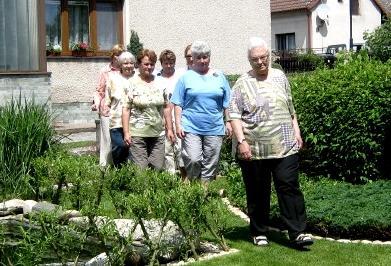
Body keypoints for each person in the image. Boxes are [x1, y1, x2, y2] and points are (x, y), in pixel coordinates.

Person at [228, 37, 313, 247]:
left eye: (264, 57)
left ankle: (298, 233)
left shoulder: (280, 76)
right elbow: (234, 114)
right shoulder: (242, 83)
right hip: (255, 148)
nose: (260, 62)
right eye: (255, 59)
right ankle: (259, 231)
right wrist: (241, 142)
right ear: (250, 60)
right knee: (258, 191)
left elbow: (290, 107)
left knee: (289, 186)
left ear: (270, 56)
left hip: (285, 145)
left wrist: (297, 131)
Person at [171, 41, 232, 182]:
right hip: (191, 126)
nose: (202, 60)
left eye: (205, 57)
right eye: (198, 57)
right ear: (193, 58)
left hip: (214, 126)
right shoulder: (186, 78)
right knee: (193, 159)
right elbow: (178, 103)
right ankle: (195, 183)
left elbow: (227, 102)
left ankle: (203, 191)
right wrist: (179, 125)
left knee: (211, 160)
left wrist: (228, 122)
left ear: (209, 57)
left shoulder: (219, 76)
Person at [122, 49, 175, 170]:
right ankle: (140, 189)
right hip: (137, 133)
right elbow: (126, 109)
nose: (149, 67)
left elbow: (166, 107)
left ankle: (155, 189)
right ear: (139, 64)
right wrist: (126, 132)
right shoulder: (131, 83)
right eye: (146, 64)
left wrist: (170, 129)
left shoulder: (161, 82)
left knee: (157, 167)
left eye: (152, 64)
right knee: (140, 170)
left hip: (158, 133)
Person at [155, 49, 186, 177]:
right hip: (163, 116)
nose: (169, 65)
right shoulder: (157, 78)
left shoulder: (180, 77)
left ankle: (185, 176)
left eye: (171, 63)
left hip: (179, 116)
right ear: (161, 63)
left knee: (180, 147)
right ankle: (170, 176)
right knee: (167, 147)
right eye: (166, 63)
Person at [92, 44, 125, 166]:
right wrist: (96, 103)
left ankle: (121, 166)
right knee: (108, 140)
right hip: (107, 111)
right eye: (117, 55)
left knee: (121, 141)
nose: (119, 58)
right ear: (112, 56)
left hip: (123, 110)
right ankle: (105, 167)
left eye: (121, 55)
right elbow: (99, 91)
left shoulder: (126, 70)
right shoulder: (105, 71)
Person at [105, 51, 136, 167]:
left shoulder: (138, 78)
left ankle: (131, 172)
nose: (128, 66)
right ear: (120, 65)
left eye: (131, 63)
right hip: (117, 121)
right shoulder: (113, 79)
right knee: (120, 146)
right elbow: (108, 100)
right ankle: (118, 170)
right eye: (125, 63)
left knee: (133, 148)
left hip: (134, 120)